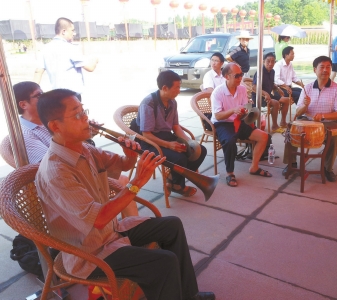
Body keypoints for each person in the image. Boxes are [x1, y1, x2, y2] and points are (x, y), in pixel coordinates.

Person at [35, 89, 215, 300]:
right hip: (88, 253)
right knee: (163, 262)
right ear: (55, 126)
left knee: (172, 225)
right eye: (77, 115)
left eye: (84, 112)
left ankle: (189, 295)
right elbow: (100, 219)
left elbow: (120, 164)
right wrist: (137, 182)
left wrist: (130, 157)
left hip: (111, 233)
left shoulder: (85, 149)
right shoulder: (57, 172)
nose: (86, 119)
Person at [12, 81, 138, 217]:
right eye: (38, 95)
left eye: (83, 112)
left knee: (123, 180)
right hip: (67, 183)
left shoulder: (56, 124)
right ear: (23, 104)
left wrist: (85, 133)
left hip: (85, 169)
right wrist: (139, 180)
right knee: (123, 182)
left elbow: (122, 163)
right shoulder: (25, 134)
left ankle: (132, 229)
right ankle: (133, 231)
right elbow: (54, 165)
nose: (43, 97)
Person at [137, 70, 207, 197]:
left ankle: (172, 179)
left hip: (167, 136)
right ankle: (178, 185)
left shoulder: (173, 102)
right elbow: (146, 134)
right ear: (164, 88)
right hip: (150, 142)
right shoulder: (149, 103)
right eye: (177, 87)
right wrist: (169, 145)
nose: (179, 90)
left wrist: (189, 142)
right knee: (179, 158)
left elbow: (175, 126)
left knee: (200, 150)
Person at [282, 56, 337, 182]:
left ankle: (327, 168)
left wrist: (323, 116)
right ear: (315, 70)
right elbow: (298, 112)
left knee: (335, 136)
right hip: (307, 119)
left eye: (328, 67)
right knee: (291, 129)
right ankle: (291, 163)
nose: (325, 70)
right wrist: (305, 105)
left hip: (328, 122)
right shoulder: (307, 88)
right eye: (322, 67)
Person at [211, 62, 271, 187]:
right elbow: (217, 116)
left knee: (264, 136)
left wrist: (248, 110)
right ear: (227, 76)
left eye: (241, 74)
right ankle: (230, 173)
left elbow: (244, 107)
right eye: (237, 75)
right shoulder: (218, 92)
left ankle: (254, 167)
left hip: (238, 120)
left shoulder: (242, 88)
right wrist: (233, 110)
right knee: (229, 141)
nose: (240, 78)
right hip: (223, 123)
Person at [33, 17, 98, 100]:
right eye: (72, 30)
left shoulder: (45, 49)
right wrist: (95, 60)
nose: (74, 33)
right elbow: (90, 68)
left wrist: (33, 94)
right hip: (72, 97)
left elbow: (38, 71)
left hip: (56, 96)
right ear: (64, 31)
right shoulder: (70, 48)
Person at [251, 52, 289, 132]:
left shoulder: (272, 72)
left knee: (286, 100)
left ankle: (283, 122)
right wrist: (265, 93)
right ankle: (274, 126)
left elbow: (271, 83)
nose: (270, 63)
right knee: (275, 103)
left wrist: (277, 88)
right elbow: (254, 87)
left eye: (273, 61)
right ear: (263, 61)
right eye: (268, 61)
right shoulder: (259, 72)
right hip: (259, 97)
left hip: (268, 95)